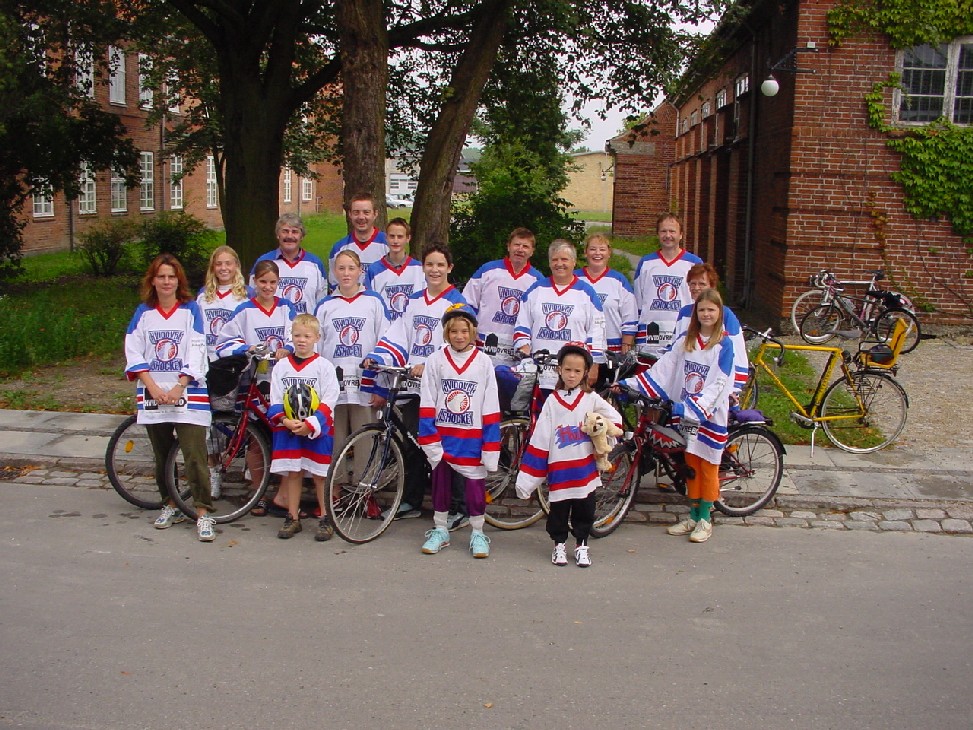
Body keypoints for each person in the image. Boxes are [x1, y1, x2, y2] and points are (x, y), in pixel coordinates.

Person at [362, 242, 467, 521]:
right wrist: (377, 356)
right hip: (413, 383)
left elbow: (460, 342)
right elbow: (399, 333)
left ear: (449, 268)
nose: (435, 270)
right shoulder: (415, 300)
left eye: (440, 265)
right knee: (411, 443)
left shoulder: (456, 303)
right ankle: (411, 500)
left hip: (443, 387)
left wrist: (430, 364)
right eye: (430, 264)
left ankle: (459, 507)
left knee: (445, 446)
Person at [620, 288, 735, 543]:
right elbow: (663, 369)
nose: (706, 314)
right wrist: (631, 384)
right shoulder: (686, 341)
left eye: (711, 310)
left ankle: (705, 519)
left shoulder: (724, 345)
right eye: (702, 309)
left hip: (709, 415)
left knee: (708, 467)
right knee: (691, 465)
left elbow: (720, 383)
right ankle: (693, 516)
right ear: (696, 313)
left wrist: (694, 407)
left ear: (719, 312)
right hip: (687, 414)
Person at [124, 254, 215, 542]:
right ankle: (170, 504)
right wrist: (152, 386)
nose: (166, 282)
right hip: (154, 393)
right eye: (161, 276)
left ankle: (203, 511)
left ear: (179, 280)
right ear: (153, 280)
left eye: (171, 277)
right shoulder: (144, 313)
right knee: (162, 455)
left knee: (195, 455)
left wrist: (180, 386)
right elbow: (133, 350)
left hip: (187, 393)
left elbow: (198, 349)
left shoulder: (191, 310)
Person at [515, 344, 622, 567]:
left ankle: (582, 545)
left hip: (585, 470)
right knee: (559, 511)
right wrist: (528, 478)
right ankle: (559, 545)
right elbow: (540, 438)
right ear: (559, 370)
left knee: (585, 509)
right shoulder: (552, 402)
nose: (572, 375)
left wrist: (602, 435)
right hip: (560, 471)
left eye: (577, 371)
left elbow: (615, 420)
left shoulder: (591, 399)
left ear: (585, 373)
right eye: (568, 370)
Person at [417, 305, 500, 558]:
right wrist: (429, 436)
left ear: (472, 331)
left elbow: (490, 403)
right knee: (440, 483)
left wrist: (490, 442)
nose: (459, 336)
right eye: (454, 331)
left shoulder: (483, 362)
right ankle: (440, 529)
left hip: (472, 436)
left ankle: (478, 532)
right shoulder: (436, 360)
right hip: (443, 434)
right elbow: (428, 399)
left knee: (475, 485)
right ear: (446, 333)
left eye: (464, 331)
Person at [216, 260, 297, 517]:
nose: (268, 287)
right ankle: (257, 492)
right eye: (263, 282)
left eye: (273, 282)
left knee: (284, 435)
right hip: (254, 381)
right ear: (254, 282)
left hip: (282, 382)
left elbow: (298, 334)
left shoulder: (286, 307)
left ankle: (284, 493)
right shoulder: (244, 310)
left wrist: (288, 348)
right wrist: (247, 348)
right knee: (255, 438)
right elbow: (224, 341)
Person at [314, 249, 390, 481]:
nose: (346, 273)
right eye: (341, 268)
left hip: (365, 385)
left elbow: (385, 343)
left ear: (360, 271)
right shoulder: (325, 305)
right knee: (333, 440)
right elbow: (317, 348)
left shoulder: (373, 301)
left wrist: (381, 386)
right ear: (334, 272)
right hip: (333, 386)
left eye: (351, 268)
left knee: (366, 438)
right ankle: (334, 487)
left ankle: (365, 488)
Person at [267, 313, 341, 540]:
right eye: (297, 335)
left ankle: (326, 518)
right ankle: (292, 517)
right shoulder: (281, 366)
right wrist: (284, 420)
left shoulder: (324, 366)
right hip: (289, 428)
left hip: (317, 430)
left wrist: (311, 423)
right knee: (294, 471)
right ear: (291, 336)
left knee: (319, 474)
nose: (301, 340)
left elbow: (330, 398)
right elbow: (275, 398)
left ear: (317, 338)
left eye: (307, 336)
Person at [513, 239, 607, 401]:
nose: (559, 264)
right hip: (540, 372)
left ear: (574, 262)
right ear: (549, 262)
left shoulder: (587, 293)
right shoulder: (536, 289)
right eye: (555, 259)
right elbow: (522, 325)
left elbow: (597, 332)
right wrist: (524, 348)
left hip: (572, 374)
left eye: (564, 259)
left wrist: (594, 364)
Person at [196, 245, 250, 498]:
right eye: (219, 263)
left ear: (236, 266)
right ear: (213, 267)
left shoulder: (245, 296)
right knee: (210, 423)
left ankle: (250, 468)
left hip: (234, 366)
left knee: (239, 418)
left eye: (228, 263)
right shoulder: (203, 296)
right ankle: (214, 470)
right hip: (207, 364)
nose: (224, 268)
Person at [462, 227, 544, 365]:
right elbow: (467, 304)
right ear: (508, 246)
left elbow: (538, 318)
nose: (520, 249)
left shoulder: (538, 281)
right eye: (517, 245)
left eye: (525, 246)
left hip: (516, 350)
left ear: (532, 251)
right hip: (483, 344)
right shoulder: (488, 270)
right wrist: (469, 332)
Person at [633, 213, 703, 358]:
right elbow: (638, 301)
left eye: (672, 231)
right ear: (658, 234)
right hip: (650, 332)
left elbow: (702, 299)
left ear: (681, 234)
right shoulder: (646, 263)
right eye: (663, 231)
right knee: (649, 369)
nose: (668, 235)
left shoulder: (694, 263)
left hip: (684, 330)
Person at [674, 263, 749, 396]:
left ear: (712, 287)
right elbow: (675, 347)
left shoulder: (726, 315)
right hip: (687, 383)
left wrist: (734, 390)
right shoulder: (684, 313)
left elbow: (737, 354)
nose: (696, 288)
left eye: (702, 284)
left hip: (714, 387)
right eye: (692, 283)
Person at [576, 232, 638, 388]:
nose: (597, 253)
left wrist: (626, 345)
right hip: (581, 347)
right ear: (585, 252)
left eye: (602, 249)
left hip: (612, 350)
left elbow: (630, 315)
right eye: (592, 249)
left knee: (607, 393)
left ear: (609, 253)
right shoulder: (575, 279)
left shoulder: (618, 280)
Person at [250, 213, 328, 314]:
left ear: (302, 236)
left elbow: (322, 302)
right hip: (272, 322)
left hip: (305, 323)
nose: (290, 236)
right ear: (277, 235)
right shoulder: (264, 262)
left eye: (295, 232)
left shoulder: (315, 264)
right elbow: (252, 296)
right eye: (285, 231)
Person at [364, 217, 425, 321]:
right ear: (386, 238)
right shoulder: (374, 270)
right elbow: (369, 305)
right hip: (385, 328)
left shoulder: (419, 269)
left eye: (400, 237)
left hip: (411, 327)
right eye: (392, 236)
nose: (395, 241)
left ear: (408, 238)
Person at [328, 192, 389, 291]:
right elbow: (334, 285)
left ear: (375, 214)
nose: (361, 217)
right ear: (350, 214)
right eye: (356, 212)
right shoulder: (339, 249)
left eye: (366, 212)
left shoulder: (388, 245)